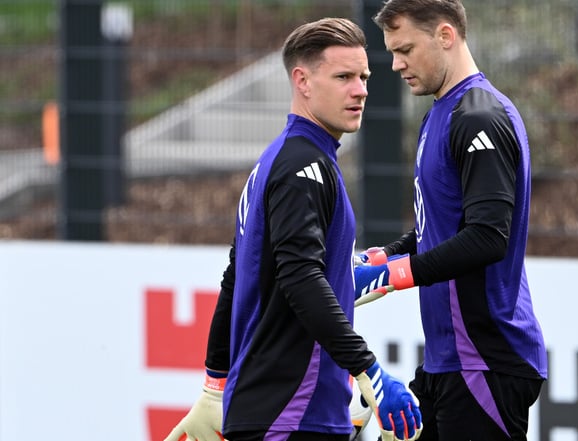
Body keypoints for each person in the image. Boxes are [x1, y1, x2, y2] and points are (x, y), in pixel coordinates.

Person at [164, 17, 422, 441]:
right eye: (343, 77)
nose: (360, 90)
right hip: (292, 413)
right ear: (302, 81)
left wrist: (215, 383)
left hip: (275, 410)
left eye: (363, 77)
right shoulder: (304, 168)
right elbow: (301, 277)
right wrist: (369, 371)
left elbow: (239, 277)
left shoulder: (281, 160)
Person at [353, 1, 548, 440]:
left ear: (445, 36)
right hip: (450, 360)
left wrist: (395, 274)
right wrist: (384, 256)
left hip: (485, 360)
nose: (396, 64)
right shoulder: (440, 112)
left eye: (404, 49)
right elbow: (440, 227)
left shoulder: (479, 116)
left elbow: (486, 237)